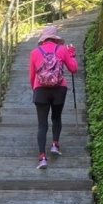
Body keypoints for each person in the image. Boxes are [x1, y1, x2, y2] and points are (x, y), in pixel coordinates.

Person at [29, 25, 78, 170]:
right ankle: (55, 145)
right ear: (56, 38)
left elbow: (32, 76)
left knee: (42, 124)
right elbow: (74, 69)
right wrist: (72, 55)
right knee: (56, 118)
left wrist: (36, 89)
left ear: (43, 39)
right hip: (59, 89)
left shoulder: (34, 52)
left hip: (40, 90)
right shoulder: (62, 50)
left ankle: (42, 158)